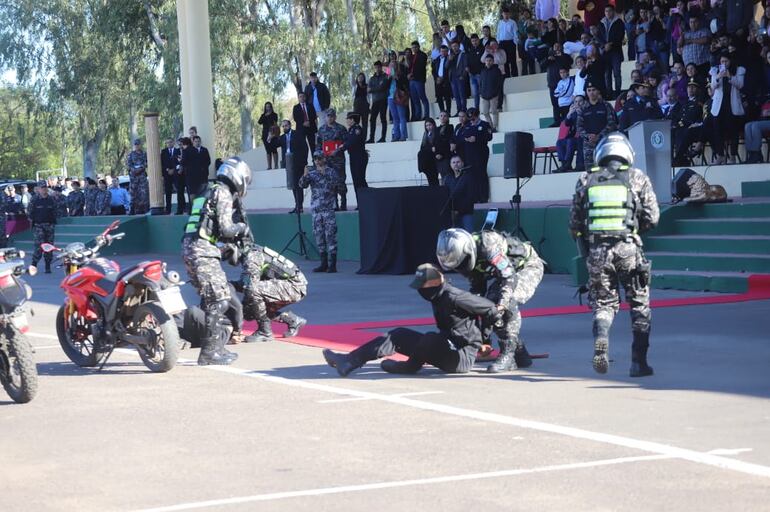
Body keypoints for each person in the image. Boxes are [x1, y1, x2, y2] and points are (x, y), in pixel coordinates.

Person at [569, 132, 659, 377]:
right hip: (628, 247)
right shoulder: (637, 177)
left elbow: (575, 223)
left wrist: (588, 247)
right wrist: (634, 225)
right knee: (640, 304)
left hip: (598, 251)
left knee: (603, 304)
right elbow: (653, 217)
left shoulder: (586, 179)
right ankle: (639, 363)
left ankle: (602, 338)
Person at [322, 263, 500, 376]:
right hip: (445, 346)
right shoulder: (436, 296)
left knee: (431, 338)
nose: (419, 291)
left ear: (433, 284)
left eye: (422, 286)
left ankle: (410, 367)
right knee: (397, 335)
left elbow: (490, 309)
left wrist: (484, 341)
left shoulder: (455, 297)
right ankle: (350, 361)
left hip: (460, 357)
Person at [436, 228, 544, 373]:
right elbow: (477, 289)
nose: (461, 267)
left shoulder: (489, 245)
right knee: (487, 304)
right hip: (504, 274)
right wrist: (482, 337)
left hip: (526, 267)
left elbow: (508, 276)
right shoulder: (464, 258)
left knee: (504, 301)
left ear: (467, 250)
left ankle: (509, 356)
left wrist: (501, 305)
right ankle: (519, 352)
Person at [182, 157, 252, 366]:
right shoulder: (222, 192)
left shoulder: (207, 190)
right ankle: (209, 352)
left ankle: (215, 348)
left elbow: (209, 227)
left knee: (213, 299)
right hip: (202, 250)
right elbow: (226, 228)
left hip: (192, 248)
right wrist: (242, 228)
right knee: (219, 301)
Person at [227, 242, 308, 343]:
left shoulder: (252, 256)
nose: (227, 258)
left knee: (253, 295)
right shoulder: (250, 252)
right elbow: (246, 282)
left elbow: (250, 286)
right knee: (252, 309)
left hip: (294, 286)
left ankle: (265, 331)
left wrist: (240, 313)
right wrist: (229, 285)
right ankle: (293, 320)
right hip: (289, 285)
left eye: (228, 253)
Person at [298, 151, 344, 273]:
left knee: (331, 236)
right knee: (319, 236)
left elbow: (341, 188)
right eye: (315, 158)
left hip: (328, 209)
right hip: (316, 210)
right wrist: (305, 175)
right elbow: (302, 185)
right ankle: (323, 263)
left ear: (324, 159)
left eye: (319, 158)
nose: (317, 161)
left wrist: (327, 177)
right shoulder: (312, 174)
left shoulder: (331, 172)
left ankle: (332, 264)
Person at [709, 53, 745, 164]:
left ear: (730, 61)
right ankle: (720, 155)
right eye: (722, 61)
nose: (724, 63)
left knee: (733, 130)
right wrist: (719, 77)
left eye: (726, 61)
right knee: (717, 130)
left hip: (732, 104)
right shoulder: (715, 71)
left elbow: (740, 85)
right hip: (719, 105)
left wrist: (730, 76)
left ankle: (733, 156)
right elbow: (713, 87)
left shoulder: (739, 70)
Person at [577, 80, 618, 169]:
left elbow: (611, 124)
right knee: (591, 174)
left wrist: (598, 136)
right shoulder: (582, 107)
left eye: (593, 90)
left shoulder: (606, 106)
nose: (591, 92)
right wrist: (588, 136)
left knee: (606, 172)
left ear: (598, 91)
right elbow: (579, 127)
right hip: (589, 146)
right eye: (589, 90)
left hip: (604, 143)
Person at [316, 108, 349, 211]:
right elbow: (318, 145)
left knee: (340, 181)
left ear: (335, 117)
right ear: (325, 117)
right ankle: (334, 204)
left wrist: (338, 150)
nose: (329, 118)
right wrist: (318, 158)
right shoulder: (321, 130)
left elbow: (346, 143)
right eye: (328, 116)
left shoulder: (341, 128)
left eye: (331, 116)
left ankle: (343, 201)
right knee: (330, 182)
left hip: (338, 160)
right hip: (327, 160)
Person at [336, 112, 368, 204]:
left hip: (359, 157)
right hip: (354, 156)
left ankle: (364, 202)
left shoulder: (356, 129)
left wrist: (340, 148)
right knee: (356, 181)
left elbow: (351, 142)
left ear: (352, 120)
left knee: (359, 180)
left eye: (348, 119)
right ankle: (361, 202)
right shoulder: (351, 130)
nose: (346, 120)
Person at [279, 119, 308, 214]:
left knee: (298, 185)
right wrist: (270, 137)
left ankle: (300, 206)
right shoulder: (282, 137)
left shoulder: (297, 134)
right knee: (292, 185)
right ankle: (297, 205)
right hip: (288, 163)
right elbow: (273, 146)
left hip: (298, 162)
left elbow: (305, 147)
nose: (284, 128)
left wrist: (304, 162)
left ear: (290, 125)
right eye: (283, 126)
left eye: (286, 125)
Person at [29, 181, 57, 274]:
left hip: (49, 225)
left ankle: (48, 266)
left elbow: (55, 211)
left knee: (49, 246)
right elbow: (30, 212)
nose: (44, 189)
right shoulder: (34, 199)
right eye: (42, 188)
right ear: (38, 189)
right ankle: (34, 265)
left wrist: (52, 223)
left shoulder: (51, 199)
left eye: (45, 187)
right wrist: (33, 222)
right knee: (39, 246)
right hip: (39, 226)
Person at [443, 154, 475, 232]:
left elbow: (470, 196)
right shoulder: (447, 178)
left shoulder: (468, 177)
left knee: (468, 235)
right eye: (453, 162)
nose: (456, 164)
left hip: (466, 213)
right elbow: (445, 195)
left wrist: (459, 211)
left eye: (458, 162)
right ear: (450, 165)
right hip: (452, 214)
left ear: (462, 163)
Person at [479, 54, 504, 131]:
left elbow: (499, 83)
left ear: (493, 61)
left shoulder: (497, 70)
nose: (488, 62)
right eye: (487, 61)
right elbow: (480, 83)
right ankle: (490, 125)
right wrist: (481, 92)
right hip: (484, 96)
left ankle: (495, 127)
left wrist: (496, 93)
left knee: (494, 112)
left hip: (494, 95)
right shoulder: (482, 71)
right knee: (485, 112)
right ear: (485, 62)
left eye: (490, 61)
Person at [367, 61, 390, 143]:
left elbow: (384, 86)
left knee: (383, 118)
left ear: (381, 67)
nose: (377, 69)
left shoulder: (385, 76)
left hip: (383, 99)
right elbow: (368, 90)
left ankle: (383, 137)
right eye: (376, 67)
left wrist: (386, 66)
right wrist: (378, 87)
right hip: (375, 101)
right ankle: (371, 138)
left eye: (379, 67)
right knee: (372, 119)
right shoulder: (372, 78)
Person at [407, 41, 430, 121]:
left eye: (415, 47)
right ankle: (418, 115)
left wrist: (413, 75)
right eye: (412, 47)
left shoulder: (422, 55)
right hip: (412, 81)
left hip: (418, 79)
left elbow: (421, 67)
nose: (414, 49)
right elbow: (410, 67)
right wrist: (409, 75)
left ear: (418, 47)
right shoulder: (412, 57)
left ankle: (426, 115)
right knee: (415, 99)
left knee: (422, 97)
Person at [388, 59, 410, 142]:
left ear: (396, 66)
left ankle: (403, 135)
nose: (392, 66)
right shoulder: (387, 75)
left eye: (394, 65)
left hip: (399, 96)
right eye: (391, 65)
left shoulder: (401, 74)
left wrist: (397, 78)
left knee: (402, 117)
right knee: (394, 117)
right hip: (390, 97)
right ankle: (396, 136)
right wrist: (389, 77)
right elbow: (385, 86)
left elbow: (404, 84)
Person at [126, 138, 149, 215]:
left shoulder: (144, 154)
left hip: (142, 176)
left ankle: (146, 209)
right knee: (133, 193)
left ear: (140, 145)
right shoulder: (131, 154)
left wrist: (141, 168)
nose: (136, 146)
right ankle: (132, 209)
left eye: (138, 144)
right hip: (134, 177)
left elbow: (146, 162)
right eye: (135, 144)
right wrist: (133, 170)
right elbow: (128, 164)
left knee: (144, 193)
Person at [161, 138, 183, 214]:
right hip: (167, 175)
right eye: (167, 143)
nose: (169, 144)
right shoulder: (163, 152)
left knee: (179, 191)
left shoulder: (178, 151)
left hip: (176, 174)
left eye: (170, 142)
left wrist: (174, 169)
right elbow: (162, 163)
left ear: (173, 143)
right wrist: (167, 170)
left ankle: (180, 209)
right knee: (168, 192)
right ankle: (168, 209)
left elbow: (180, 162)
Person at [418, 118, 441, 186]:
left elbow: (437, 145)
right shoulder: (425, 134)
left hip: (434, 160)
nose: (428, 127)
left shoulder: (437, 132)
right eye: (427, 125)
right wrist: (430, 148)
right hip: (427, 161)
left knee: (434, 179)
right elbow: (422, 147)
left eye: (430, 125)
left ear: (433, 125)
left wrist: (431, 148)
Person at [497, 7, 519, 78]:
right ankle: (507, 76)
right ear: (502, 14)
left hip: (510, 42)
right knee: (504, 61)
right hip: (502, 43)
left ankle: (515, 75)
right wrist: (498, 42)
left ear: (509, 14)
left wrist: (515, 43)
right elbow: (498, 33)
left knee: (513, 60)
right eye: (504, 13)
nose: (506, 15)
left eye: (507, 13)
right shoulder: (500, 23)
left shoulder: (512, 22)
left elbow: (516, 33)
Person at [448, 40, 469, 115]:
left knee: (462, 95)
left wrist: (463, 76)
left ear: (459, 46)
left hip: (460, 77)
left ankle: (463, 110)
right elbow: (446, 67)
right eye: (453, 46)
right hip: (452, 78)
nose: (454, 48)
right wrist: (449, 60)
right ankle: (459, 110)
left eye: (455, 46)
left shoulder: (463, 54)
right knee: (456, 96)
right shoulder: (450, 55)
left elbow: (466, 67)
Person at [432, 46, 453, 114]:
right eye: (442, 51)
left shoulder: (449, 59)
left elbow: (449, 69)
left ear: (447, 52)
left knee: (447, 97)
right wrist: (436, 78)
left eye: (445, 51)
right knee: (439, 97)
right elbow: (433, 71)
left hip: (446, 80)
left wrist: (443, 78)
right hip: (438, 80)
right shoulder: (437, 59)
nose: (443, 53)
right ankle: (442, 112)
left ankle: (448, 112)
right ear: (440, 52)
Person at [467, 34, 486, 109]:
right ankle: (476, 109)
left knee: (483, 92)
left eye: (475, 40)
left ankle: (485, 107)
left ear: (478, 40)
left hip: (480, 73)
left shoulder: (483, 49)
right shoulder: (470, 50)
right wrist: (467, 67)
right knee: (475, 93)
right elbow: (468, 61)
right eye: (472, 41)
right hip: (472, 75)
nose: (474, 42)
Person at [258, 102, 279, 170]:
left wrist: (270, 115)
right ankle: (269, 166)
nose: (268, 108)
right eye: (266, 107)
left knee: (274, 149)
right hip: (265, 135)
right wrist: (265, 115)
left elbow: (275, 121)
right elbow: (259, 122)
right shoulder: (263, 115)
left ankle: (276, 165)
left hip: (273, 134)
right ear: (265, 108)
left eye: (269, 106)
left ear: (271, 107)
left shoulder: (274, 114)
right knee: (268, 150)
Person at [353, 73, 370, 141]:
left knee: (365, 123)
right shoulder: (355, 86)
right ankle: (356, 138)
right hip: (357, 105)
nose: (360, 78)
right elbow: (351, 80)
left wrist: (369, 104)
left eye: (362, 77)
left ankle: (364, 138)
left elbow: (369, 96)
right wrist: (353, 71)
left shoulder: (366, 86)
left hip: (365, 105)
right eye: (359, 77)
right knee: (356, 122)